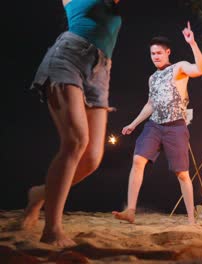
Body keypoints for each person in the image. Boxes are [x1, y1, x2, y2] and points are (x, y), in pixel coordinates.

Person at [22, 0, 122, 247]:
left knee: (92, 159)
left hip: (101, 71)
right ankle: (52, 229)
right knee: (76, 140)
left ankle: (40, 193)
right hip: (69, 57)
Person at [112, 22, 202, 225]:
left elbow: (201, 69)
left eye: (159, 53)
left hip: (176, 126)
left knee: (182, 174)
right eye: (152, 54)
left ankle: (191, 219)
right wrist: (134, 124)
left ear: (167, 52)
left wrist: (192, 43)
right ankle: (130, 210)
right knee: (138, 160)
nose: (155, 56)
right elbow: (150, 104)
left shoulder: (178, 68)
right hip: (154, 125)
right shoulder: (152, 78)